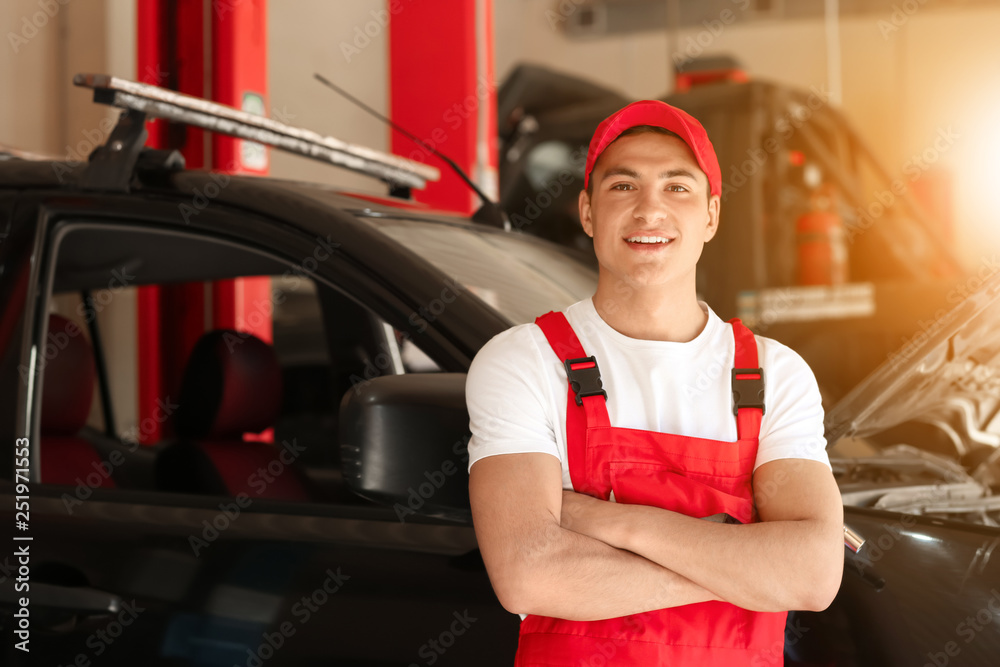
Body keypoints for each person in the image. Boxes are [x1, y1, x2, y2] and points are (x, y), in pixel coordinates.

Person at [466, 99, 844, 666]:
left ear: (711, 216)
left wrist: (605, 520)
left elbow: (813, 577)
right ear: (588, 212)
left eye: (677, 188)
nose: (649, 210)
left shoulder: (774, 373)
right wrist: (746, 562)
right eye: (623, 187)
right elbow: (528, 575)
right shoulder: (525, 361)